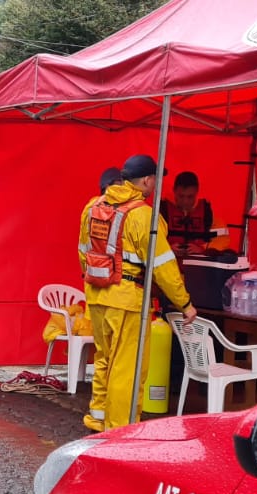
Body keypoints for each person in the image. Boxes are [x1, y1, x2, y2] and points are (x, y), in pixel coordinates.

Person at [79, 154, 195, 432]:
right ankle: (120, 430)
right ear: (146, 180)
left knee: (104, 359)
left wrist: (96, 283)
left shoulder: (92, 206)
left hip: (95, 295)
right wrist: (185, 303)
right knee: (126, 368)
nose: (157, 184)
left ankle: (97, 417)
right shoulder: (144, 215)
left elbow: (83, 253)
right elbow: (163, 266)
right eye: (156, 178)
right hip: (126, 299)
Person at [161, 172, 214, 255]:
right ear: (174, 191)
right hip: (170, 261)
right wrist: (167, 248)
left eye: (190, 197)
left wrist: (202, 249)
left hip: (198, 262)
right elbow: (151, 239)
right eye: (181, 196)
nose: (185, 201)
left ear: (197, 192)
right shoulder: (162, 209)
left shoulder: (207, 210)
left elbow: (220, 240)